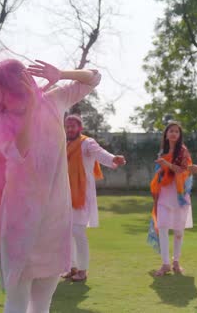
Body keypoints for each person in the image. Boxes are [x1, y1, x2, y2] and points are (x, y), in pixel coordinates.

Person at [0, 58, 101, 313]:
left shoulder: (54, 101)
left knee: (42, 303)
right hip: (20, 223)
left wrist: (61, 73)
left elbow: (95, 77)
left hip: (55, 219)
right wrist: (30, 110)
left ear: (17, 85)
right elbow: (20, 152)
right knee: (17, 302)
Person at [62, 114, 126, 282]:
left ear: (80, 128)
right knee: (67, 233)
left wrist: (113, 158)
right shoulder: (64, 143)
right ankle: (72, 267)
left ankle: (83, 270)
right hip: (65, 194)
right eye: (67, 126)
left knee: (78, 232)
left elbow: (100, 153)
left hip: (82, 194)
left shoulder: (87, 143)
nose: (69, 129)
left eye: (73, 126)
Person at [147, 122, 194, 276]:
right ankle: (165, 263)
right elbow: (159, 174)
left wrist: (166, 164)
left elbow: (183, 170)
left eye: (176, 131)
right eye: (171, 131)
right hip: (164, 195)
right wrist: (160, 171)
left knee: (179, 231)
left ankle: (176, 262)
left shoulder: (183, 152)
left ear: (179, 135)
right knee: (163, 228)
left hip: (179, 195)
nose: (173, 134)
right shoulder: (162, 152)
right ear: (166, 135)